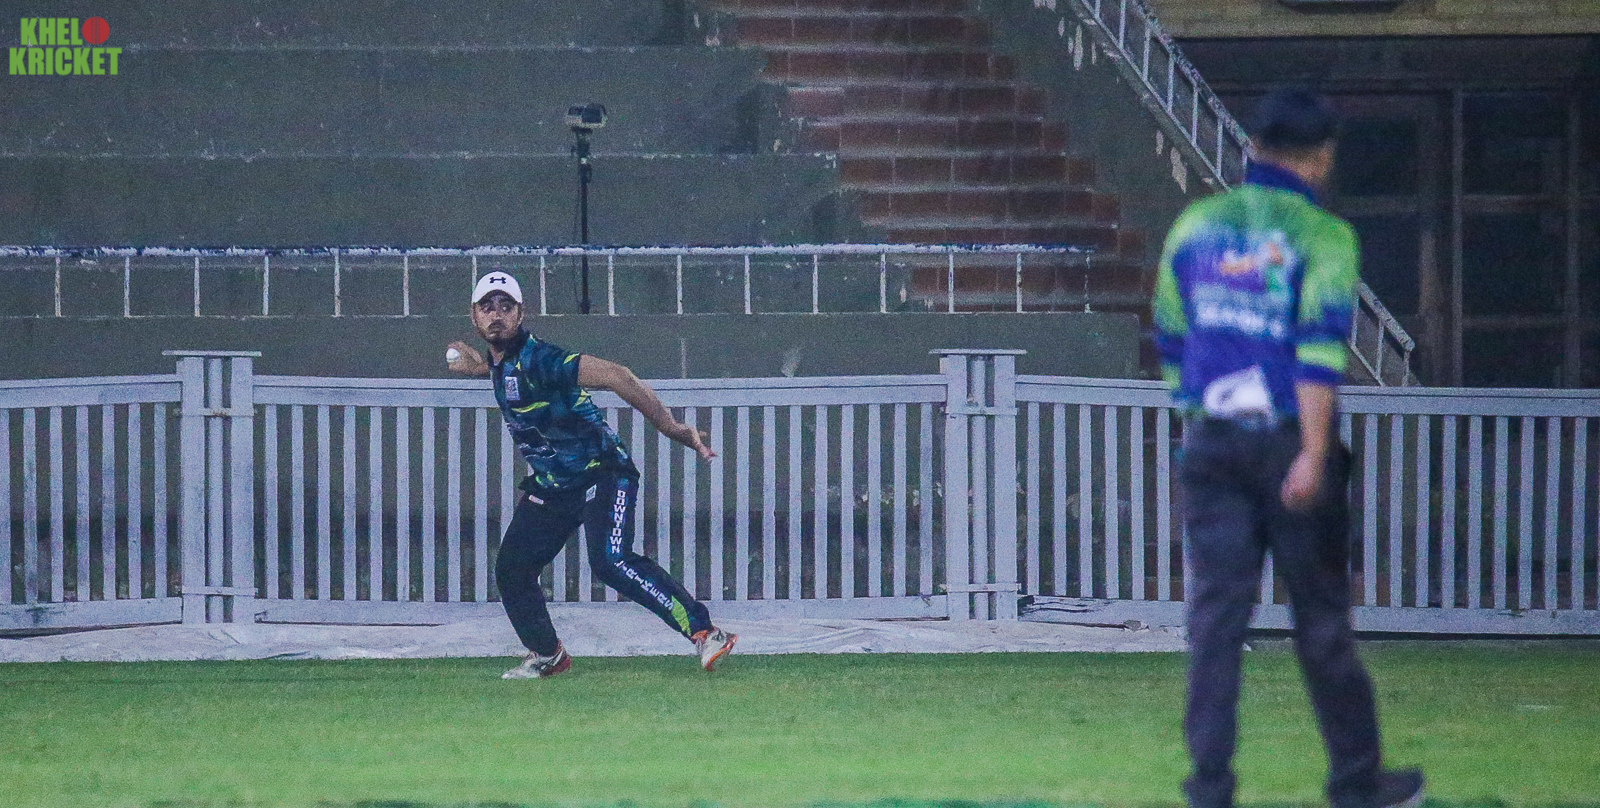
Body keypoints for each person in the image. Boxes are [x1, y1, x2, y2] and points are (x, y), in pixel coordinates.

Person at [1152, 89, 1424, 808]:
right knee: (1322, 622)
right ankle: (1357, 781)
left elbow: (1171, 334)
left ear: (1253, 149)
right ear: (1321, 157)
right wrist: (1311, 452)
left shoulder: (1195, 226)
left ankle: (1209, 787)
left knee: (1215, 622)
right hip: (1288, 442)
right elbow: (1318, 352)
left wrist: (1198, 413)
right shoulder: (1323, 237)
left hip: (1212, 443)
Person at [447, 270, 736, 679]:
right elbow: (507, 374)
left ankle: (706, 632)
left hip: (603, 472)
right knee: (513, 569)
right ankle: (548, 655)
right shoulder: (503, 363)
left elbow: (618, 375)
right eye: (487, 307)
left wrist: (672, 428)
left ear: (521, 314)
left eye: (506, 306)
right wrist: (479, 368)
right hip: (555, 486)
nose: (497, 315)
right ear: (474, 316)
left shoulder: (542, 359)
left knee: (610, 560)